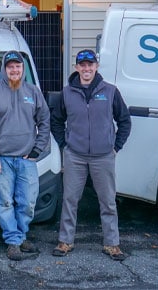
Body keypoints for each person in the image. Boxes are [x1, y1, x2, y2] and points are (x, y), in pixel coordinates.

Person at [50, 49, 131, 261]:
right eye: (82, 65)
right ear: (76, 68)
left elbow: (124, 121)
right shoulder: (67, 93)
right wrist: (64, 144)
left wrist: (116, 146)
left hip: (103, 156)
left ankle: (112, 244)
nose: (86, 69)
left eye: (90, 65)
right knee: (70, 199)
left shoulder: (111, 91)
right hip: (75, 155)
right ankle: (65, 241)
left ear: (96, 66)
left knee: (108, 201)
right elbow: (56, 120)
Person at [0, 50, 50, 261]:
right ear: (4, 69)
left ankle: (20, 235)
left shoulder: (33, 91)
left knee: (27, 202)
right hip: (1, 161)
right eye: (10, 67)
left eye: (18, 66)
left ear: (22, 69)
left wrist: (37, 149)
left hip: (27, 159)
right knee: (5, 202)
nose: (14, 70)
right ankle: (13, 242)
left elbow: (45, 121)